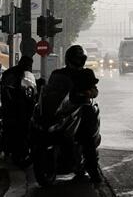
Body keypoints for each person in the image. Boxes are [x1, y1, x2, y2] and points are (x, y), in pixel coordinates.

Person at [45, 45, 102, 183]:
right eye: (77, 58)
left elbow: (94, 91)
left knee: (86, 136)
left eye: (81, 58)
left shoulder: (86, 73)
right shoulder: (58, 73)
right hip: (62, 108)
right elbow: (50, 88)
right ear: (70, 59)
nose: (79, 61)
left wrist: (89, 92)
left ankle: (93, 170)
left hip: (80, 107)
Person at [0, 56, 35, 167]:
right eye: (28, 64)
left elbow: (30, 85)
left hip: (19, 106)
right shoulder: (12, 74)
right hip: (13, 107)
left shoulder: (23, 74)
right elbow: (7, 89)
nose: (29, 67)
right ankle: (12, 152)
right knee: (18, 129)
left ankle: (12, 152)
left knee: (20, 129)